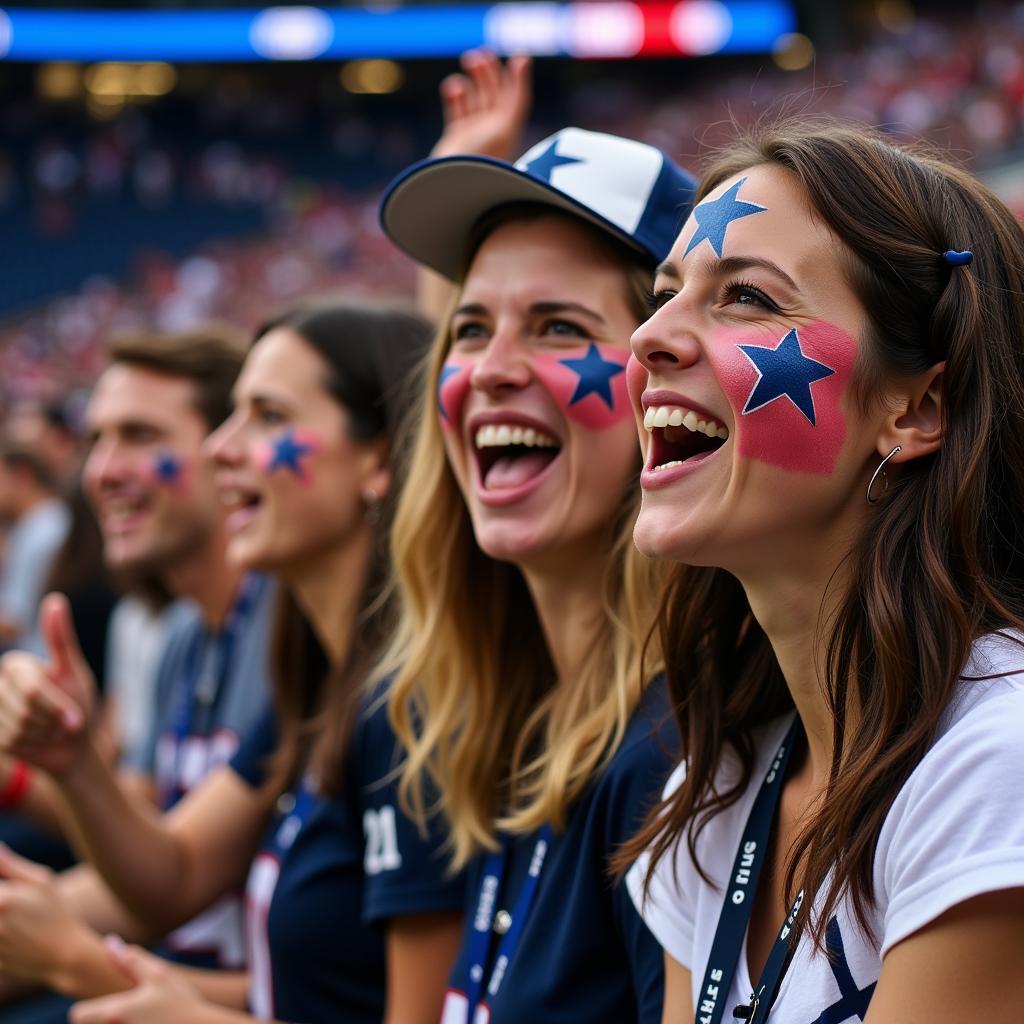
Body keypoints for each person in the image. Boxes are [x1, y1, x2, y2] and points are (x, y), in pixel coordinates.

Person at [623, 120, 1024, 1022]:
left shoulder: (999, 763)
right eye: (664, 293)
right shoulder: (715, 785)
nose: (649, 337)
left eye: (747, 300)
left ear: (917, 406)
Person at [0, 301, 465, 1024]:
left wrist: (83, 964)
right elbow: (175, 872)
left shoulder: (413, 702)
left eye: (268, 416)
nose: (223, 449)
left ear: (379, 457)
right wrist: (69, 759)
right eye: (97, 438)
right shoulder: (310, 673)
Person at [378, 108, 696, 1019]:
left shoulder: (674, 762)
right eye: (470, 329)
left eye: (558, 326)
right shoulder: (515, 723)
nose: (489, 369)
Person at [0, 327, 271, 1022]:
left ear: (229, 451)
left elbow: (172, 883)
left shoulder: (292, 635)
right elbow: (142, 854)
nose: (102, 470)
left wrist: (69, 954)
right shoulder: (183, 631)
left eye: (141, 436)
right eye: (98, 440)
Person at [0, 445, 70, 654]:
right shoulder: (39, 523)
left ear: (22, 476)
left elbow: (15, 622)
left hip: (41, 663)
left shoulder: (42, 529)